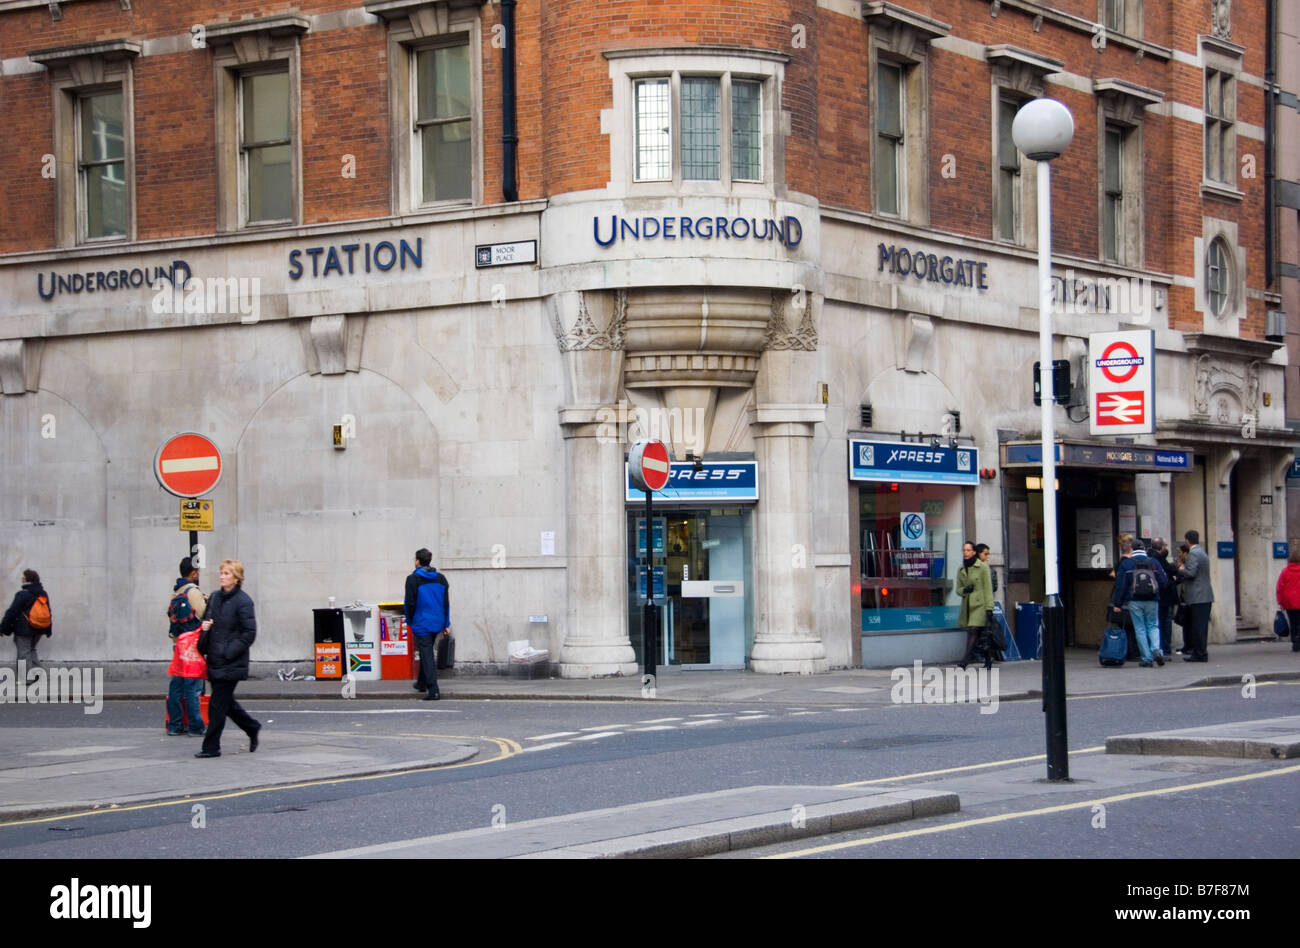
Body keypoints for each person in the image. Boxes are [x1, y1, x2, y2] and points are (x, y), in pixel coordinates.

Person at [194, 559, 261, 758]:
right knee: (225, 703)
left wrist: (228, 652)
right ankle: (251, 727)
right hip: (214, 658)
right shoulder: (214, 597)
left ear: (236, 578)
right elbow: (206, 619)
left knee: (217, 704)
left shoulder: (243, 601)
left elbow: (249, 633)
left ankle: (211, 747)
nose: (222, 577)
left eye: (227, 574)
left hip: (231, 661)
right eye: (222, 573)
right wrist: (205, 626)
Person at [1110, 535, 1168, 667]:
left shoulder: (1127, 564)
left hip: (1134, 601)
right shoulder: (1153, 562)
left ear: (1132, 548)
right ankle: (1156, 650)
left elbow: (1121, 586)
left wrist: (1117, 603)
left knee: (1140, 628)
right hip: (1152, 600)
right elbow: (1164, 582)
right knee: (1153, 626)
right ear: (1144, 548)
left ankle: (1147, 658)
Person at [166, 557, 207, 737]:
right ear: (193, 573)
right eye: (197, 572)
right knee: (193, 687)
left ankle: (175, 726)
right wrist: (206, 600)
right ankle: (195, 726)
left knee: (176, 686)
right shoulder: (193, 591)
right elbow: (203, 614)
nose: (198, 575)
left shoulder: (176, 592)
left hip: (178, 645)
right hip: (192, 646)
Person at [405, 548, 449, 700]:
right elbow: (446, 604)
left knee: (427, 654)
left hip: (421, 622)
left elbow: (409, 604)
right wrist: (446, 623)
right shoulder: (441, 579)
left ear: (417, 561)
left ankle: (433, 690)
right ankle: (421, 683)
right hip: (437, 622)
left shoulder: (412, 579)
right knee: (427, 651)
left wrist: (410, 620)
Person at [1, 569, 51, 675]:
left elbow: (12, 612)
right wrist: (48, 629)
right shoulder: (43, 593)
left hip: (24, 629)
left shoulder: (22, 594)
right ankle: (41, 673)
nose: (22, 579)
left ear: (26, 579)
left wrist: (3, 627)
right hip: (40, 628)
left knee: (24, 653)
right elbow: (48, 611)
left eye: (23, 577)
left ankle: (26, 677)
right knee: (31, 650)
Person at [1176, 530, 1214, 662]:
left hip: (1198, 596)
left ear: (1187, 540)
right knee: (1201, 626)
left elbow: (1191, 573)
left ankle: (1200, 653)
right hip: (1204, 595)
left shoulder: (1193, 553)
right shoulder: (1202, 552)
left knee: (1198, 626)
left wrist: (1181, 569)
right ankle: (1200, 652)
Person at [957, 541, 994, 670]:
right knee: (980, 635)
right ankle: (988, 659)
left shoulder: (983, 567)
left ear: (974, 552)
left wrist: (989, 608)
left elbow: (988, 588)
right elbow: (958, 589)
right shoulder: (961, 569)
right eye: (964, 550)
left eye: (968, 550)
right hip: (968, 606)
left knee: (973, 630)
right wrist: (965, 590)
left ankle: (965, 660)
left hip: (980, 605)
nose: (966, 553)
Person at [1148, 538, 1178, 658]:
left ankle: (1155, 649)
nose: (1166, 548)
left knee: (1153, 624)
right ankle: (1163, 649)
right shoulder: (1159, 560)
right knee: (1163, 624)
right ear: (1161, 547)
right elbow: (1165, 580)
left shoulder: (1149, 557)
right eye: (1165, 545)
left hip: (1154, 595)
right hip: (1163, 597)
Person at [1275, 546, 1300, 653]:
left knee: (1293, 622)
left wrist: (1280, 601)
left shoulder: (1285, 571)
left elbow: (1280, 588)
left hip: (1289, 602)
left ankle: (1295, 641)